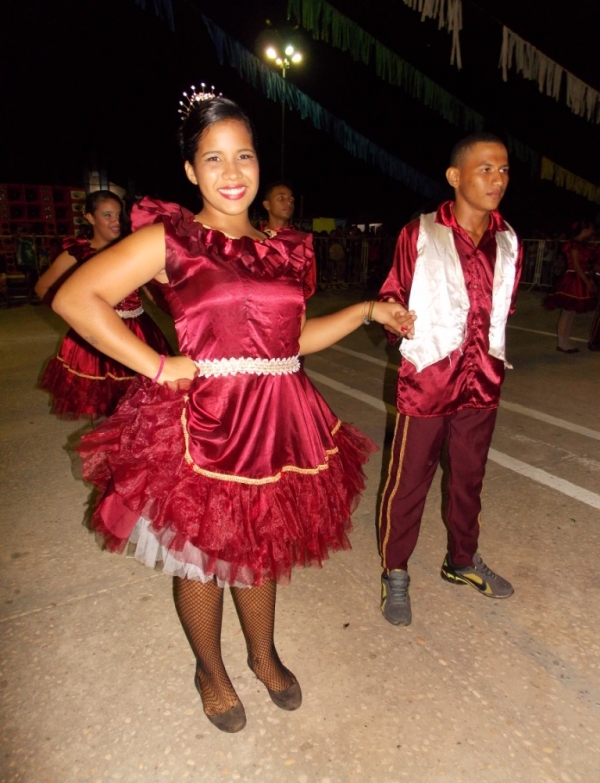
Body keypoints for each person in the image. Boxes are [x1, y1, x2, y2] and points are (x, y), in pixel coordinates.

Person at [52, 92, 415, 733]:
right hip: (207, 422)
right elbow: (77, 298)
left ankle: (263, 654)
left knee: (259, 548)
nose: (232, 172)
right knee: (201, 557)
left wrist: (365, 311)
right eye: (213, 158)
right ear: (191, 171)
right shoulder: (173, 239)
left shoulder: (285, 248)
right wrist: (159, 367)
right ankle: (210, 670)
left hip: (280, 418)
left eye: (243, 155)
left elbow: (291, 340)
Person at [377, 132, 523, 627]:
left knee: (469, 481)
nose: (497, 179)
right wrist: (393, 314)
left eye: (503, 170)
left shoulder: (509, 240)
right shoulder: (419, 232)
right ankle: (395, 570)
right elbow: (392, 292)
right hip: (428, 381)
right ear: (455, 177)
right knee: (408, 483)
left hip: (482, 381)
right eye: (485, 169)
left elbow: (504, 306)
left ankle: (461, 561)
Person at [36, 190, 172, 419]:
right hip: (99, 332)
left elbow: (149, 291)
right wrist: (77, 315)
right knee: (103, 404)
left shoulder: (131, 247)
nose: (115, 221)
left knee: (148, 398)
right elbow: (43, 288)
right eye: (107, 215)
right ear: (89, 217)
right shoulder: (77, 253)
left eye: (119, 215)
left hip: (140, 328)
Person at [543, 220, 597, 353]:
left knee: (571, 313)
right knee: (567, 312)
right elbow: (577, 266)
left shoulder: (581, 244)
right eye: (590, 229)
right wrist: (587, 281)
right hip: (574, 279)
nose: (592, 232)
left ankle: (565, 341)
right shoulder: (574, 245)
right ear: (584, 230)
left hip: (578, 278)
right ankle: (562, 343)